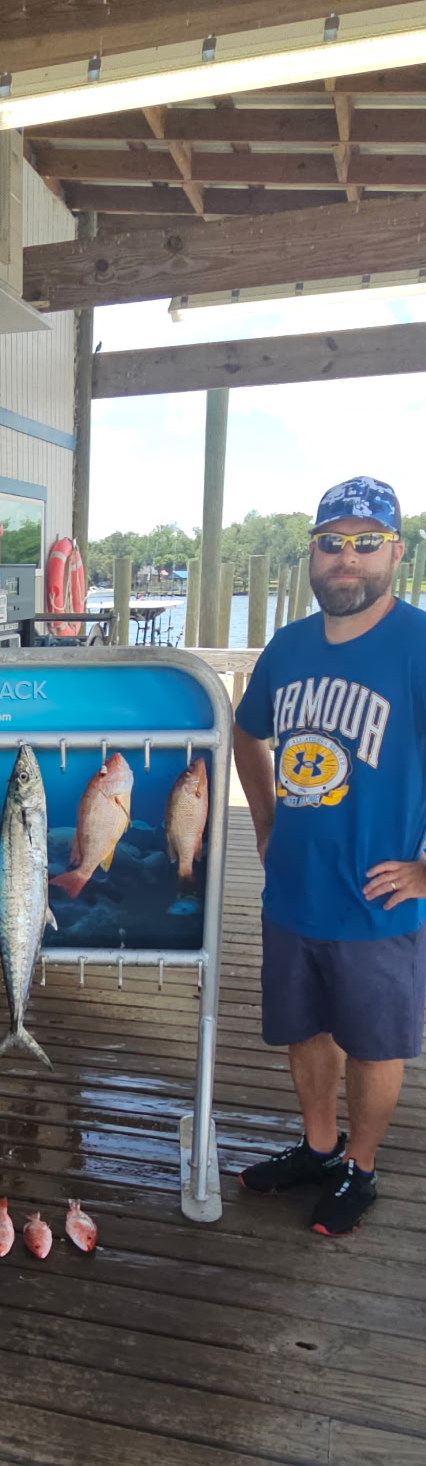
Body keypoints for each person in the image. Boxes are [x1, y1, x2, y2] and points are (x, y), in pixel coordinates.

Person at [233, 475, 426, 1237]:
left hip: (378, 900)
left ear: (396, 553)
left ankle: (363, 1167)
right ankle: (318, 1148)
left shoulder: (417, 643)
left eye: (366, 543)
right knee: (304, 1031)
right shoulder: (286, 647)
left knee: (375, 1045)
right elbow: (248, 732)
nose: (348, 558)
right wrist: (264, 820)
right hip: (292, 893)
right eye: (332, 543)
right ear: (311, 554)